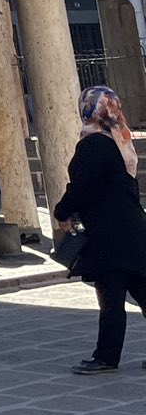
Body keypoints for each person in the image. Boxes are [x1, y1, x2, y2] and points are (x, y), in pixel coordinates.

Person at [53, 85, 146, 375]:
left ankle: (106, 357)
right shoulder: (121, 141)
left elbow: (82, 187)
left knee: (110, 298)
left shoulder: (93, 144)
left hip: (109, 234)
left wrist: (61, 211)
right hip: (133, 229)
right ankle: (106, 355)